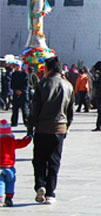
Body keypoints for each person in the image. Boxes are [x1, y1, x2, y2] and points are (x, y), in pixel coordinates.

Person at [26, 56, 74, 205]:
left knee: (39, 160)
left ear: (50, 69)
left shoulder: (42, 85)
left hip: (42, 129)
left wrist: (30, 127)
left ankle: (40, 185)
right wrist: (66, 127)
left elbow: (34, 109)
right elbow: (70, 110)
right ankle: (51, 193)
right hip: (59, 128)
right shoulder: (68, 86)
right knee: (54, 161)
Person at [0, 119, 32, 207]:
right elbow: (23, 143)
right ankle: (9, 198)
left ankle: (0, 198)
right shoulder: (12, 141)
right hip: (10, 167)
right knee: (10, 182)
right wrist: (29, 137)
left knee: (0, 183)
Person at [10, 62, 29, 127]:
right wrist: (16, 90)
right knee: (15, 108)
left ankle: (26, 122)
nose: (17, 67)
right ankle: (14, 122)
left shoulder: (24, 74)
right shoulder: (14, 74)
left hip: (23, 93)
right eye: (16, 66)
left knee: (24, 108)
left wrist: (21, 90)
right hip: (16, 93)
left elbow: (26, 84)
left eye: (18, 66)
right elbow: (12, 84)